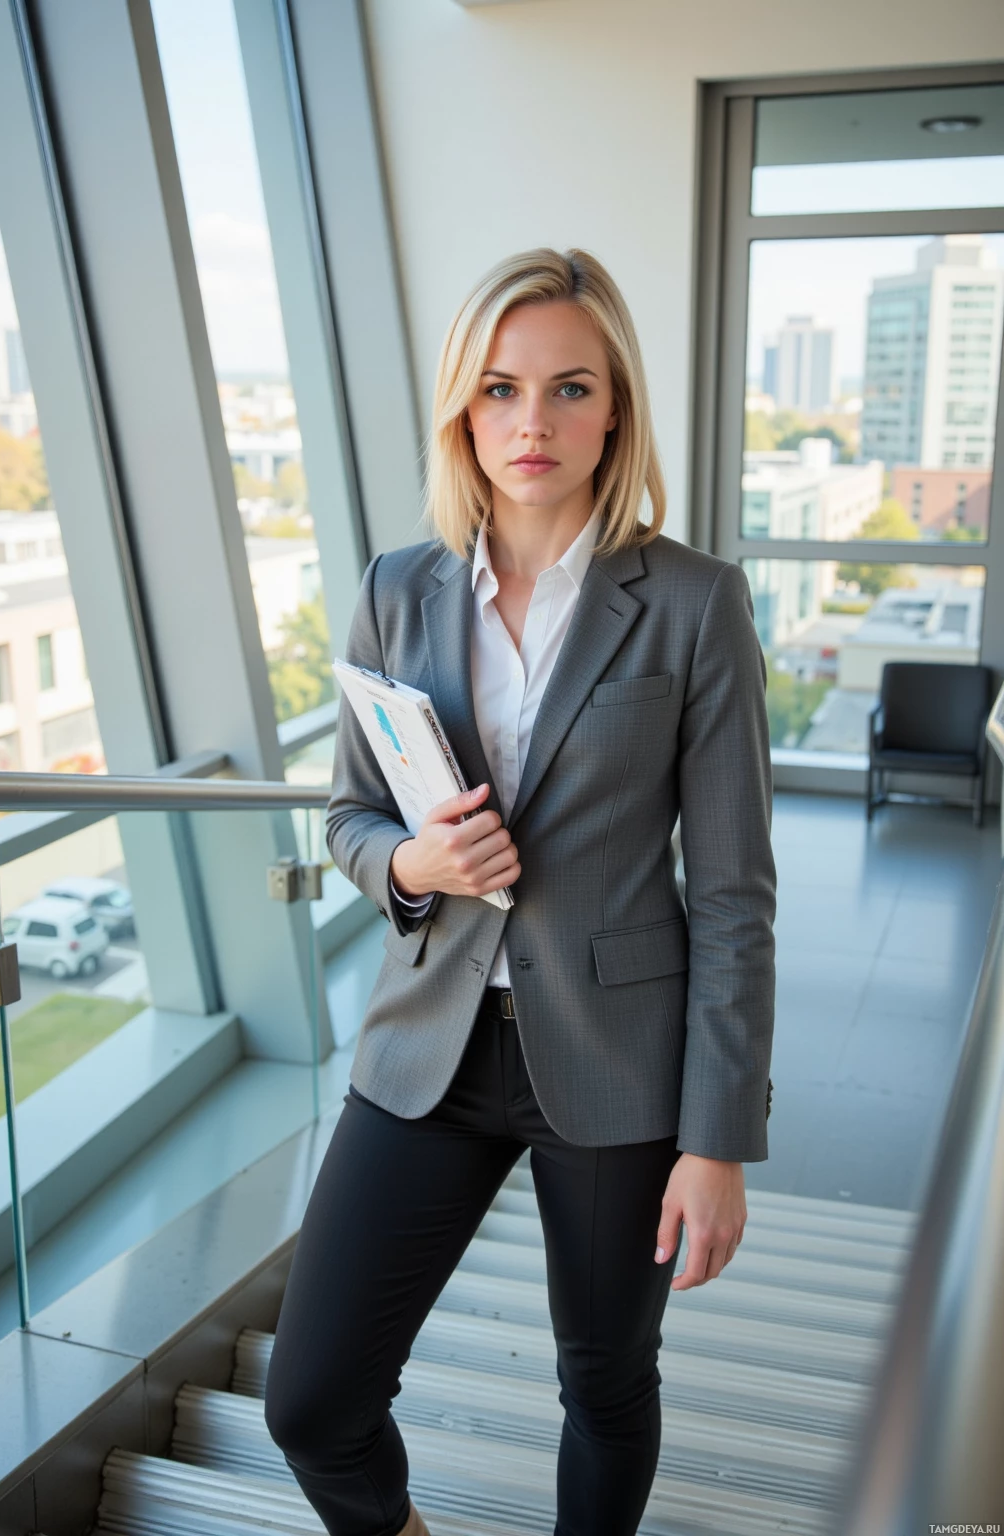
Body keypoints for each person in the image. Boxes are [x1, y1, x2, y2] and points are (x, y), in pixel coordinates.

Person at [264, 247, 777, 1536]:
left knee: (605, 1384)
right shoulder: (401, 587)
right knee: (311, 1400)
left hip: (617, 1064)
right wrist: (412, 866)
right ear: (462, 409)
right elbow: (349, 816)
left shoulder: (696, 605)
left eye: (568, 389)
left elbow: (731, 895)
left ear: (616, 408)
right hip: (428, 1045)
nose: (531, 424)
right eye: (498, 390)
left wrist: (717, 1140)